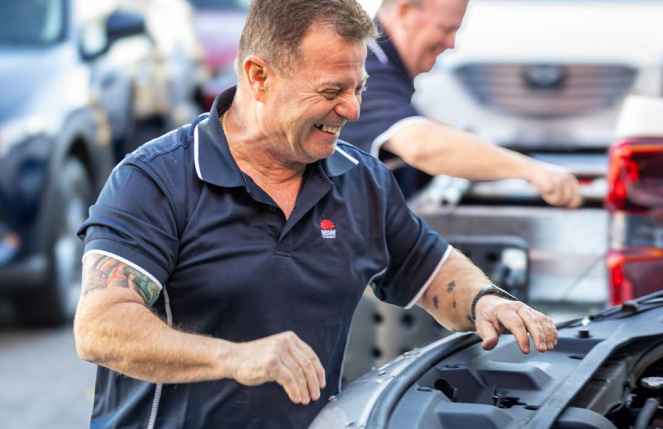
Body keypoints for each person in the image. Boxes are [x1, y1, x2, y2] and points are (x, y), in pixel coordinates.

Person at [73, 1, 558, 428]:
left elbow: (431, 271)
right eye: (330, 91)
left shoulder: (362, 180)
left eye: (359, 88)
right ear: (258, 77)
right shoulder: (155, 179)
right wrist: (235, 358)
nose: (350, 109)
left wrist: (485, 302)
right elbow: (101, 328)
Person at [340, 0, 583, 207]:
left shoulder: (383, 69)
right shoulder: (362, 69)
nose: (451, 44)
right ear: (404, 12)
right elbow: (421, 145)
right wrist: (533, 171)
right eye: (446, 29)